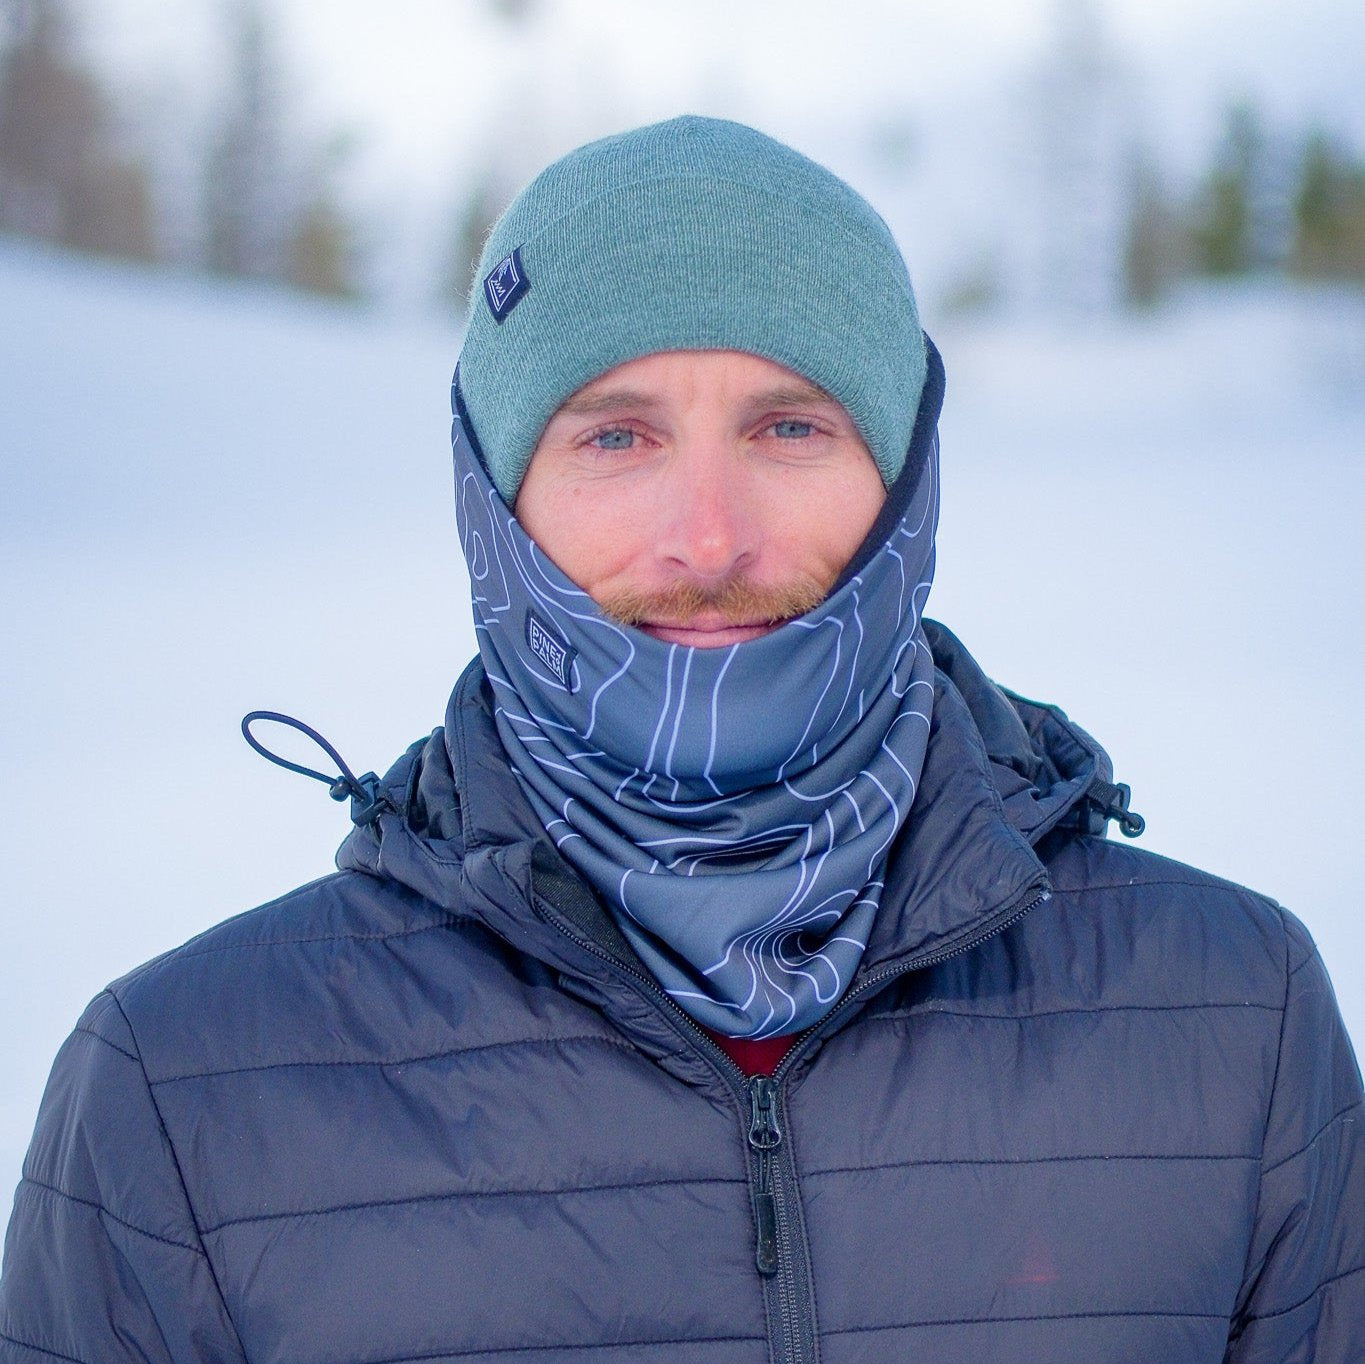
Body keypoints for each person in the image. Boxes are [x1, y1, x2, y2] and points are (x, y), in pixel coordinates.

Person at [1, 115, 1360, 1363]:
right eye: (615, 438)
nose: (708, 540)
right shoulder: (183, 1094)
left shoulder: (1232, 1026)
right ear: (494, 499)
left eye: (790, 427)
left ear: (905, 481)